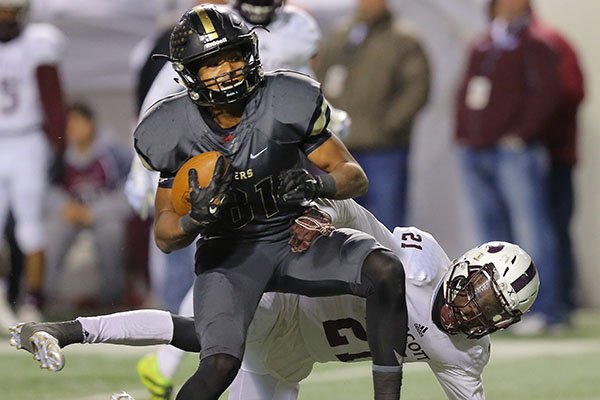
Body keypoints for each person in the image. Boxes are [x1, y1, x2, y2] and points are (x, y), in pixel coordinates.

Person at [129, 5, 408, 400]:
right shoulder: (171, 129)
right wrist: (195, 219)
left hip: (293, 241)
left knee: (384, 269)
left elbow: (353, 175)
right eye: (211, 63)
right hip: (229, 259)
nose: (225, 69)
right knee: (220, 363)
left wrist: (317, 185)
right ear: (190, 73)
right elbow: (164, 233)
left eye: (232, 56)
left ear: (250, 53)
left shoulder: (284, 98)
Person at [9, 199, 541, 400]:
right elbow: (362, 220)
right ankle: (66, 331)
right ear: (463, 266)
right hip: (289, 301)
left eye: (491, 310)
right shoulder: (419, 261)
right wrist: (326, 213)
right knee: (206, 335)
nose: (471, 310)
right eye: (476, 291)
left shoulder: (465, 354)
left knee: (210, 343)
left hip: (293, 362)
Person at [454, 0, 563, 330]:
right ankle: (499, 311)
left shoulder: (537, 44)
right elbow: (465, 92)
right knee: (491, 237)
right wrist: (462, 135)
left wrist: (519, 135)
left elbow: (547, 94)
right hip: (475, 150)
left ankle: (546, 310)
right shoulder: (482, 43)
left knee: (531, 230)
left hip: (513, 152)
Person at [315, 0, 430, 229]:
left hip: (384, 149)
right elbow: (317, 81)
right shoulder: (340, 35)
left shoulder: (402, 38)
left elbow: (417, 88)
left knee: (389, 223)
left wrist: (387, 125)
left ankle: (395, 265)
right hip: (341, 148)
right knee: (341, 222)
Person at [0, 0, 67, 326]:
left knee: (30, 228)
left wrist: (58, 146)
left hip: (27, 141)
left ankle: (32, 300)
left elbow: (53, 98)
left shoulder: (38, 43)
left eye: (9, 14)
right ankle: (2, 301)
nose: (5, 22)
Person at [44, 103, 131, 308]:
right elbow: (49, 190)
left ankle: (111, 301)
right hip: (70, 214)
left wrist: (95, 211)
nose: (73, 129)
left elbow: (129, 190)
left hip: (103, 213)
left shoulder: (113, 153)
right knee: (51, 235)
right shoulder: (60, 156)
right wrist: (66, 207)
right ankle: (44, 299)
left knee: (112, 235)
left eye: (77, 123)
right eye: (69, 124)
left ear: (90, 124)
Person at [531, 9, 585, 330]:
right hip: (529, 154)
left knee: (553, 227)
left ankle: (562, 301)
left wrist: (532, 130)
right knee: (543, 227)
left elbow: (568, 93)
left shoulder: (551, 43)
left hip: (555, 153)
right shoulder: (494, 47)